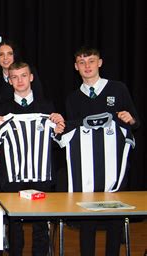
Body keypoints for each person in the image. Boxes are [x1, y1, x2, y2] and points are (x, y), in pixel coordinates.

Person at [64, 46, 139, 256]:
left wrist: (130, 120)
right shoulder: (73, 98)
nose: (86, 66)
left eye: (91, 61)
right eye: (81, 62)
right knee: (87, 221)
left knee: (114, 221)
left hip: (114, 169)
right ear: (75, 67)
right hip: (86, 172)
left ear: (100, 62)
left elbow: (135, 122)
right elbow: (71, 131)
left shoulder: (118, 89)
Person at [0, 62, 65, 256]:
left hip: (41, 174)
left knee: (41, 224)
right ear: (9, 80)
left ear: (31, 77)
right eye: (14, 77)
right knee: (15, 224)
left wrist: (58, 128)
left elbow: (57, 141)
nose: (19, 80)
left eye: (23, 76)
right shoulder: (2, 109)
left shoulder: (47, 107)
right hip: (12, 176)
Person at [0, 39, 44, 109]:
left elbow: (40, 99)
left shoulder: (29, 72)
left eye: (9, 54)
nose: (5, 58)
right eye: (1, 54)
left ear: (15, 55)